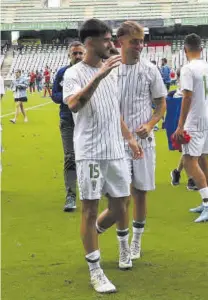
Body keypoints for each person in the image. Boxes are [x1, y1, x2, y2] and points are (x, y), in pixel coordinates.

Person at [63, 18, 143, 294]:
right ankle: (95, 271)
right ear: (90, 43)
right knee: (90, 208)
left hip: (115, 150)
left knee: (122, 205)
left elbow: (112, 110)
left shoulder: (115, 71)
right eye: (107, 40)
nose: (112, 44)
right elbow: (74, 104)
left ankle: (92, 234)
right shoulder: (74, 73)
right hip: (91, 152)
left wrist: (129, 139)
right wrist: (98, 76)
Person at [96, 21, 167, 261]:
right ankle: (123, 246)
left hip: (144, 142)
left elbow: (160, 104)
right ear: (120, 42)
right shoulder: (110, 71)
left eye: (141, 41)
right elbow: (109, 110)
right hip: (117, 143)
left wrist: (150, 124)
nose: (139, 45)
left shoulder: (150, 70)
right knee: (121, 197)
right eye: (134, 41)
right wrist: (128, 136)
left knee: (140, 193)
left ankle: (136, 242)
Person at [173, 33, 208, 223]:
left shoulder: (188, 69)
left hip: (194, 120)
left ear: (185, 50)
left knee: (189, 161)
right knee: (204, 161)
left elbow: (187, 96)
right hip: (207, 119)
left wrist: (180, 125)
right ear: (201, 49)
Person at [52, 41, 85, 212]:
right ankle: (71, 194)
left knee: (91, 156)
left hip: (87, 120)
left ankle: (95, 189)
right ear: (69, 55)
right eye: (75, 53)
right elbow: (54, 94)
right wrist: (68, 96)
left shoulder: (91, 72)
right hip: (67, 119)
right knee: (70, 157)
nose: (78, 56)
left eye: (80, 53)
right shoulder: (62, 72)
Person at [168, 70, 199, 190]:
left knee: (189, 150)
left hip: (192, 121)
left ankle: (177, 172)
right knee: (187, 151)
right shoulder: (176, 94)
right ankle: (191, 179)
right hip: (181, 123)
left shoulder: (191, 90)